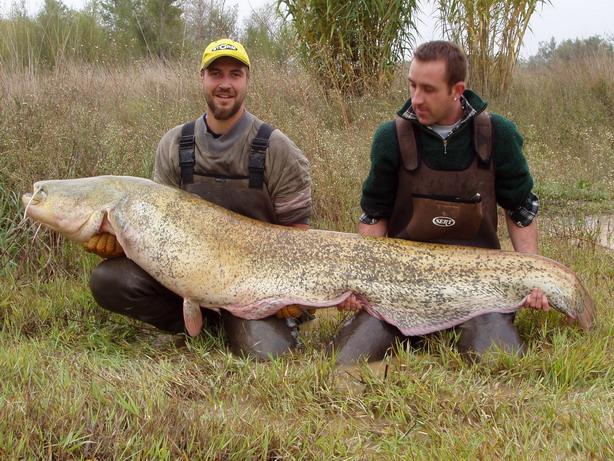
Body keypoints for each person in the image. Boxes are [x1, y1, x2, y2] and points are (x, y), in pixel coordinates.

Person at [84, 38, 313, 360]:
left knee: (270, 355)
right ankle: (206, 327)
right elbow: (153, 229)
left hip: (253, 283)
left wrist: (289, 290)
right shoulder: (175, 144)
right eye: (216, 73)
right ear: (202, 78)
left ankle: (246, 324)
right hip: (184, 274)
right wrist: (119, 244)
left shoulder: (277, 149)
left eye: (235, 74)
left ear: (247, 80)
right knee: (110, 280)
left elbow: (299, 235)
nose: (225, 84)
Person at [332, 40, 550, 364]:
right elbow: (373, 215)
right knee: (350, 359)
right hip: (402, 288)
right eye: (412, 85)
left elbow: (521, 210)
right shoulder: (390, 138)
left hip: (478, 292)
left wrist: (534, 274)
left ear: (456, 90)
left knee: (501, 362)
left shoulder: (498, 134)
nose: (416, 99)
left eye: (428, 89)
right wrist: (362, 280)